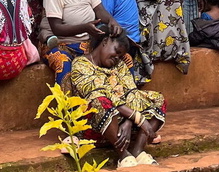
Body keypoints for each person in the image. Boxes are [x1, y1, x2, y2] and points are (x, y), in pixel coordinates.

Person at [69, 26, 166, 169]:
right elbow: (100, 94)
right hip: (93, 129)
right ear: (105, 41)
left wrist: (128, 121)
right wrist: (138, 118)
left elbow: (132, 94)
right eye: (116, 51)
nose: (117, 58)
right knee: (100, 101)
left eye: (120, 56)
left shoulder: (120, 66)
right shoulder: (81, 64)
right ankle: (123, 155)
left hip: (125, 127)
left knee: (157, 98)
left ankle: (137, 151)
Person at [40, 0, 123, 86]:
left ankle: (118, 101)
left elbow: (99, 9)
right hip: (61, 44)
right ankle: (68, 107)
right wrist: (85, 27)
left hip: (88, 42)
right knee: (63, 63)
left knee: (122, 57)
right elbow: (56, 28)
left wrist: (111, 21)